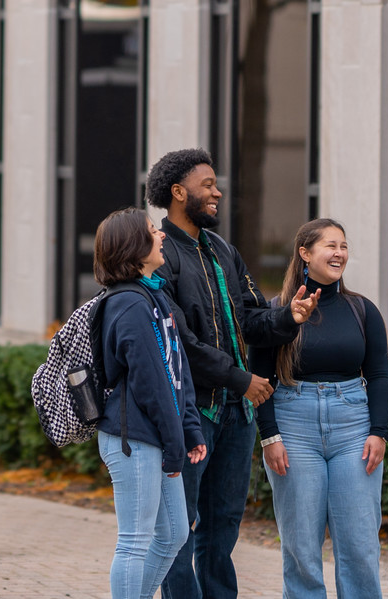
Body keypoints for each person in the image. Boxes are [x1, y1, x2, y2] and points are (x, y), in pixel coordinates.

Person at [145, 149, 314, 599]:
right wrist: (242, 380)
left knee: (222, 532)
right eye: (207, 184)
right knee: (178, 530)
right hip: (193, 413)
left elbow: (252, 320)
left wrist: (288, 318)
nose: (217, 191)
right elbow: (177, 342)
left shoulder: (223, 251)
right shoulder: (160, 253)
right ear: (179, 193)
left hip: (236, 418)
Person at [249, 219, 388, 599]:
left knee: (360, 546)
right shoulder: (277, 311)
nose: (339, 253)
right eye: (330, 245)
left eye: (343, 246)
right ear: (305, 253)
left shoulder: (362, 309)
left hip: (353, 427)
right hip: (293, 425)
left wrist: (379, 431)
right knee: (301, 549)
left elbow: (378, 375)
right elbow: (260, 381)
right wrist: (270, 437)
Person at [91, 207, 210, 599]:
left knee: (174, 533)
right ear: (133, 246)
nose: (160, 235)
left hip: (157, 438)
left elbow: (178, 373)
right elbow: (151, 384)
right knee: (135, 541)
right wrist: (176, 446)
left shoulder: (153, 297)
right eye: (151, 231)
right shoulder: (128, 304)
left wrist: (189, 428)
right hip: (133, 439)